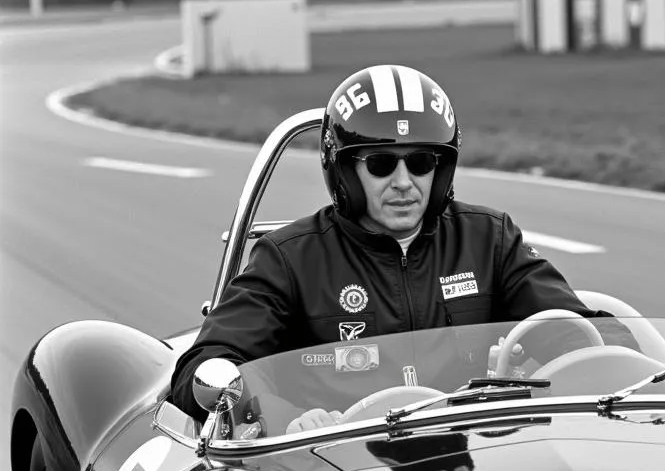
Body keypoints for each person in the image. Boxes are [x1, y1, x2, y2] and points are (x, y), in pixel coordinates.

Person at [169, 64, 628, 430]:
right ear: (345, 171)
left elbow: (577, 336)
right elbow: (203, 371)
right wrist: (287, 417)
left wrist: (596, 362)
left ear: (442, 168)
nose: (404, 183)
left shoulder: (488, 239)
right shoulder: (290, 258)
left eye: (422, 162)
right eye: (382, 164)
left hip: (475, 457)